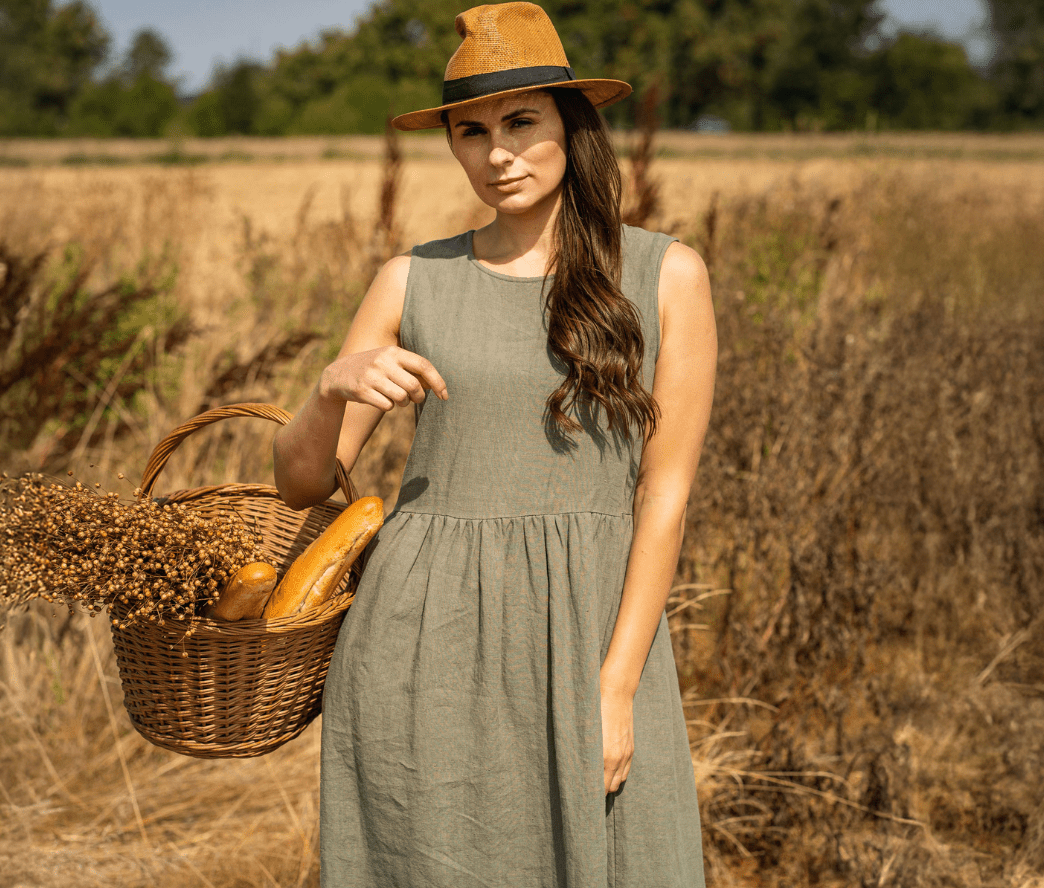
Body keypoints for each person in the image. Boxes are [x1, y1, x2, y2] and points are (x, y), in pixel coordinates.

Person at [271, 3, 716, 885]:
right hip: (421, 635)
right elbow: (300, 482)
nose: (497, 152)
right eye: (470, 131)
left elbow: (660, 498)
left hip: (588, 627)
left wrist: (617, 685)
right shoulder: (413, 277)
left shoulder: (665, 274)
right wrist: (332, 388)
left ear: (571, 125)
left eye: (520, 121)